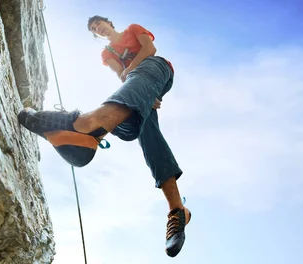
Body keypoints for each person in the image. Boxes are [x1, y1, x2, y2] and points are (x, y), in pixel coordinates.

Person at [16, 15, 191, 257]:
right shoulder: (106, 55)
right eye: (95, 30)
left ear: (109, 23)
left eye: (100, 24)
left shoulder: (132, 29)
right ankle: (177, 209)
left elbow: (150, 50)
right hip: (138, 89)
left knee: (141, 75)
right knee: (148, 133)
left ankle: (87, 125)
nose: (99, 29)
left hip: (157, 69)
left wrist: (138, 78)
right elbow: (122, 76)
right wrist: (145, 93)